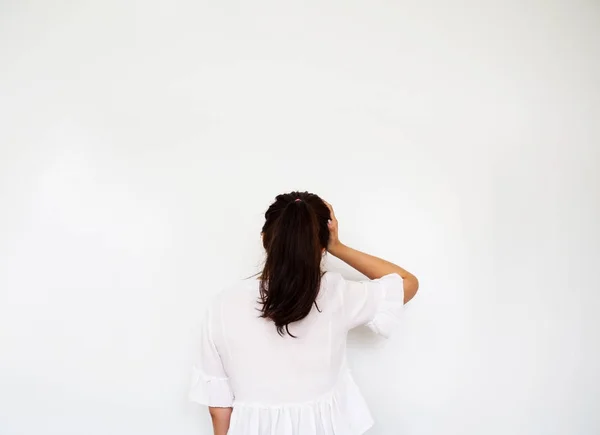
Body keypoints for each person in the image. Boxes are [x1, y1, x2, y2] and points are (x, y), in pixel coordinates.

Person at [189, 191, 419, 435]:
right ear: (320, 247)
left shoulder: (222, 305)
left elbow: (219, 408)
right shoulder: (336, 293)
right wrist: (337, 247)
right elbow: (407, 282)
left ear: (265, 239)